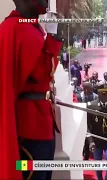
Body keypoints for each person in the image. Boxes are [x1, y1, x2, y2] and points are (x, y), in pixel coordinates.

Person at [0, 1, 62, 179]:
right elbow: (40, 75)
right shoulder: (17, 28)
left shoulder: (26, 26)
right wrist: (52, 40)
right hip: (30, 129)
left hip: (42, 123)